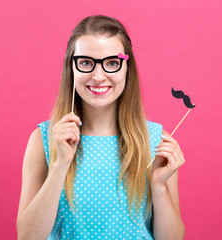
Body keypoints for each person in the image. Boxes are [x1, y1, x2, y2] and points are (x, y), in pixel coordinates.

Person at [16, 15, 185, 240]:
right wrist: (61, 164)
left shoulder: (156, 141)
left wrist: (159, 186)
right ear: (71, 67)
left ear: (127, 68)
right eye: (86, 62)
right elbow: (27, 237)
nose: (98, 76)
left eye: (112, 63)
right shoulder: (44, 139)